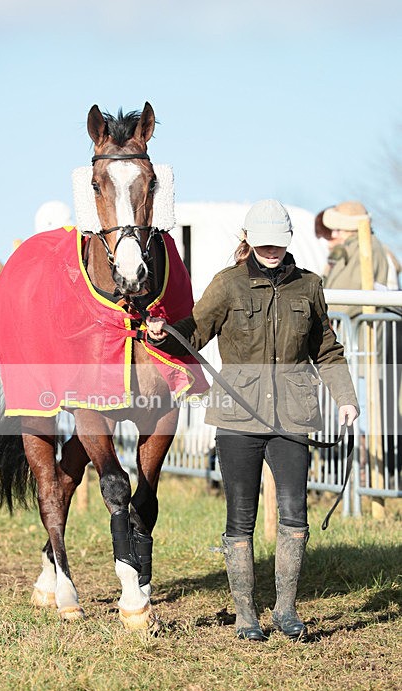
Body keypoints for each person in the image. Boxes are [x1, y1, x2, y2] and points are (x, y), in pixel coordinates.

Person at [147, 199, 359, 642]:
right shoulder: (227, 286)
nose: (271, 251)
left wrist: (346, 398)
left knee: (294, 515)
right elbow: (195, 332)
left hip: (293, 418)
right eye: (263, 243)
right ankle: (246, 616)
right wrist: (162, 333)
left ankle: (286, 610)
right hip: (238, 417)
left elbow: (328, 350)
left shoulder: (309, 287)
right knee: (239, 520)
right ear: (248, 241)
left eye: (278, 243)